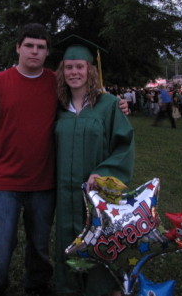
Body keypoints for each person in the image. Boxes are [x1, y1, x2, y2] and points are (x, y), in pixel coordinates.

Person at [0, 23, 57, 296]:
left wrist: (118, 104)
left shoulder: (57, 83)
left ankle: (37, 286)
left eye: (40, 47)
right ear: (18, 47)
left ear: (47, 52)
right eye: (29, 45)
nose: (34, 51)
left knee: (39, 246)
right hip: (4, 181)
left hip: (44, 181)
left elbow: (87, 103)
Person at [54, 38, 134, 296]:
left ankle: (101, 289)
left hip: (97, 192)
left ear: (91, 70)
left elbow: (124, 144)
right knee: (67, 239)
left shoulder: (109, 104)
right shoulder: (56, 107)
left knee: (99, 237)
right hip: (65, 193)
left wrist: (105, 172)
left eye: (80, 66)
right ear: (62, 71)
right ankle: (69, 288)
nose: (74, 72)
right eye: (69, 67)